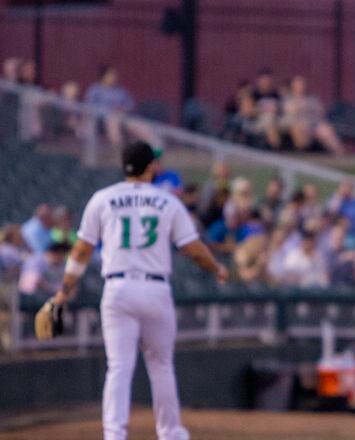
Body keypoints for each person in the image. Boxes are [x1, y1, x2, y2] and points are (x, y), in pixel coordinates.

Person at [43, 141, 228, 440]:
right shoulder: (167, 201)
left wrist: (64, 290)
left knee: (118, 367)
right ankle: (170, 433)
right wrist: (216, 268)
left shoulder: (103, 199)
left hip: (117, 288)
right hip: (155, 288)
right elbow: (192, 249)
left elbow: (79, 251)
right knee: (161, 365)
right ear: (150, 167)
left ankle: (114, 435)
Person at [280, 75, 345, 155]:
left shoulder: (312, 98)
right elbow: (290, 112)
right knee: (302, 127)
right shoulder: (289, 98)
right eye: (298, 84)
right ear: (293, 86)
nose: (301, 86)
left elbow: (320, 111)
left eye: (302, 84)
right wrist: (307, 108)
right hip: (298, 124)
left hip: (314, 124)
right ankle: (303, 154)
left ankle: (340, 154)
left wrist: (304, 108)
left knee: (326, 129)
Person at [84, 66, 135, 148]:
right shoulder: (95, 89)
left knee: (141, 126)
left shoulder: (119, 90)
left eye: (114, 75)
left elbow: (130, 104)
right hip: (102, 118)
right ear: (103, 77)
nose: (113, 77)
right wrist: (108, 110)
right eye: (110, 75)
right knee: (113, 121)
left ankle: (156, 150)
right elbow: (89, 106)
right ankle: (118, 148)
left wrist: (123, 108)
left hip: (122, 116)